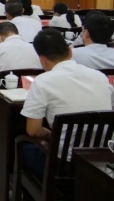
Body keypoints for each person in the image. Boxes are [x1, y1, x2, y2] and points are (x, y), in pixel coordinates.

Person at [21, 29, 113, 177]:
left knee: (24, 147)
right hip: (98, 162)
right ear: (70, 51)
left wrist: (49, 133)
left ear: (42, 59)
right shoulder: (100, 76)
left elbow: (33, 130)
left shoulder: (43, 81)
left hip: (62, 164)